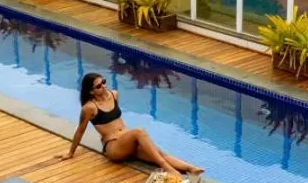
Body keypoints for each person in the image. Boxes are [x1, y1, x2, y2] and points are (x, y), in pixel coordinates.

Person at [58, 71, 203, 173]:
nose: (103, 86)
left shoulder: (114, 95)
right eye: (98, 86)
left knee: (158, 154)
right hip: (114, 147)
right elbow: (80, 131)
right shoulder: (89, 108)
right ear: (91, 92)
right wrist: (71, 152)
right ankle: (168, 169)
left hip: (128, 142)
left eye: (103, 82)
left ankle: (190, 168)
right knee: (139, 131)